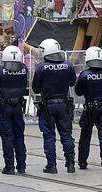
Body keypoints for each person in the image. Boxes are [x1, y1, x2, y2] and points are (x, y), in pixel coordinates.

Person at [32, 38, 77, 174]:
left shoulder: (41, 67)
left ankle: (51, 166)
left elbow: (35, 88)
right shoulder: (68, 65)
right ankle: (70, 164)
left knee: (49, 136)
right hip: (64, 104)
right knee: (67, 135)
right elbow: (72, 82)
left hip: (47, 106)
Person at [74, 47, 102, 171]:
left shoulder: (84, 75)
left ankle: (82, 162)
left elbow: (78, 91)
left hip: (89, 108)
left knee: (85, 135)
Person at [0, 45, 28, 175]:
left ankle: (9, 167)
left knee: (7, 137)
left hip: (5, 106)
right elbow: (25, 85)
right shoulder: (24, 69)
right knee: (19, 136)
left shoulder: (0, 71)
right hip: (18, 105)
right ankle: (22, 166)